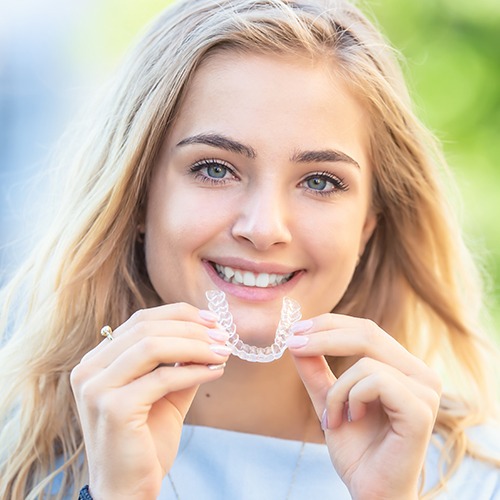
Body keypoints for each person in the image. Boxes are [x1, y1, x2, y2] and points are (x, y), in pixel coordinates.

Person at [0, 0, 499, 498]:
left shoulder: (478, 479)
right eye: (215, 168)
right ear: (136, 198)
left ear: (367, 225)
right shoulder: (23, 469)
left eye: (320, 181)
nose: (263, 229)